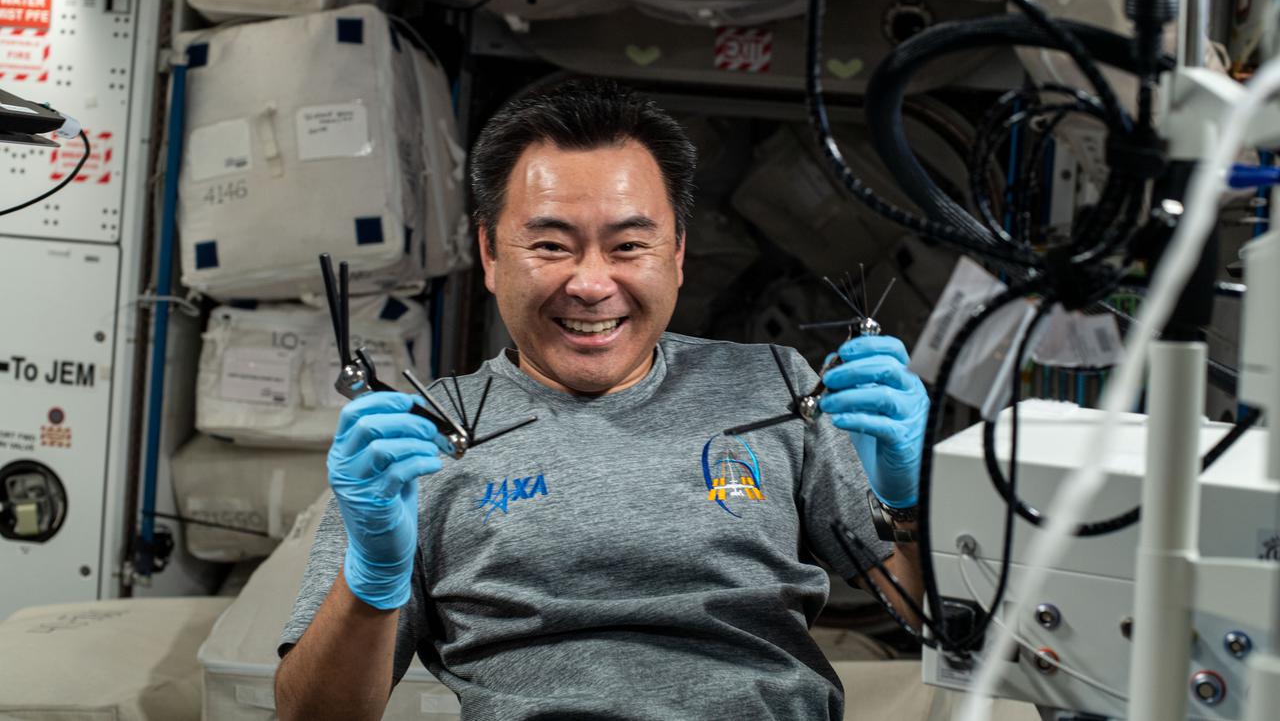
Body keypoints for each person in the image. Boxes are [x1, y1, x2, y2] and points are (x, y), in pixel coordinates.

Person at [275, 78, 930, 720]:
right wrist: (372, 580)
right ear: (490, 254)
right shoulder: (413, 443)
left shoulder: (775, 385)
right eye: (552, 245)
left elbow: (929, 616)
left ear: (675, 254)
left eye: (627, 245)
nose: (590, 283)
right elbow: (309, 715)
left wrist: (907, 500)